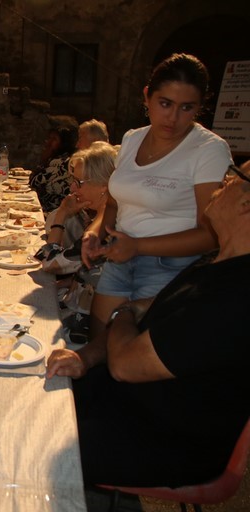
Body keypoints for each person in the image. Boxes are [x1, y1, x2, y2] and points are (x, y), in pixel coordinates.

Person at [46, 161, 250, 488]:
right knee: (25, 391)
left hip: (163, 441)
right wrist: (84, 357)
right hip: (125, 402)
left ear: (246, 203)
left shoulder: (237, 297)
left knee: (25, 438)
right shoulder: (215, 261)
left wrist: (123, 312)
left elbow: (126, 362)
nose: (224, 179)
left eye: (235, 175)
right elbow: (143, 318)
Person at [82, 53, 233, 338]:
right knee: (99, 344)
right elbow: (114, 203)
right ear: (147, 96)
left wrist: (139, 246)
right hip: (120, 255)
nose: (173, 118)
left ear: (199, 107)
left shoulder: (208, 150)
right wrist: (94, 232)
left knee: (131, 354)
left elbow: (212, 234)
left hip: (170, 267)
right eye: (165, 104)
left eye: (187, 108)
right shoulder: (132, 139)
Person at [34, 142, 118, 343]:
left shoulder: (104, 229)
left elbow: (49, 262)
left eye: (79, 182)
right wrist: (72, 279)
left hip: (83, 326)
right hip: (79, 303)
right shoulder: (102, 217)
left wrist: (62, 214)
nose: (72, 188)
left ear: (104, 186)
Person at [29, 126, 78, 212]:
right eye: (49, 138)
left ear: (63, 143)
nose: (48, 142)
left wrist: (44, 159)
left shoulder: (61, 162)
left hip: (53, 209)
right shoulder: (61, 158)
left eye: (54, 139)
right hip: (51, 205)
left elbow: (34, 181)